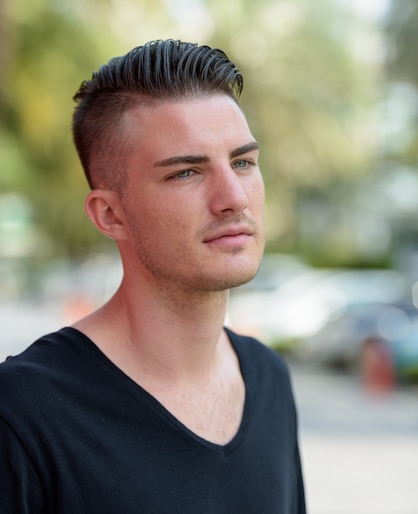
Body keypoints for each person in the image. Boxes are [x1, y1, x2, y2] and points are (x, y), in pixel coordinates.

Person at [0, 39, 306, 513]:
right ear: (110, 215)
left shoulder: (269, 378)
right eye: (186, 172)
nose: (234, 198)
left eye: (242, 162)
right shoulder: (23, 413)